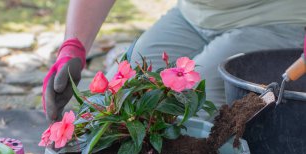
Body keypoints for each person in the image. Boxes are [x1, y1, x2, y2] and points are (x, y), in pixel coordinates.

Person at [42, 0, 306, 122]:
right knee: (118, 100)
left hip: (278, 18)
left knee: (188, 109)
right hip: (192, 15)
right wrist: (73, 46)